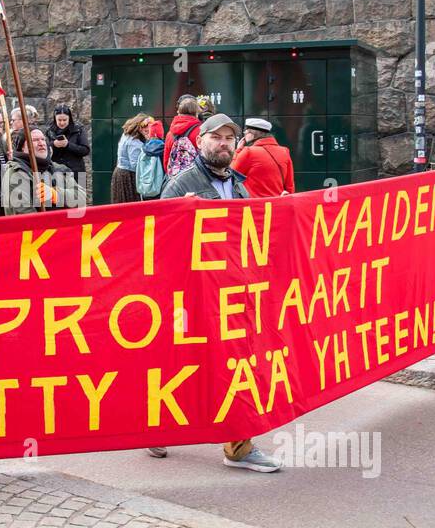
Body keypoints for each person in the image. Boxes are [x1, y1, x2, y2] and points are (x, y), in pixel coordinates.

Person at [149, 114, 283, 473]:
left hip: (231, 292)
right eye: (216, 137)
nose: (224, 143)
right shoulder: (180, 184)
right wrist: (181, 214)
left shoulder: (239, 184)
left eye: (229, 138)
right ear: (200, 141)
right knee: (183, 363)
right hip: (192, 294)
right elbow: (160, 242)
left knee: (235, 364)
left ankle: (238, 447)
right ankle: (157, 425)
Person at [2, 128, 87, 215]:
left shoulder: (59, 169)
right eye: (34, 140)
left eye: (43, 139)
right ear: (22, 147)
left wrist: (55, 194)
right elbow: (24, 216)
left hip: (64, 227)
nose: (41, 143)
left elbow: (81, 198)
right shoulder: (16, 172)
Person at [231, 118, 296, 197]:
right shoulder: (284, 151)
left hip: (254, 206)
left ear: (252, 134)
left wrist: (238, 150)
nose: (244, 135)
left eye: (245, 132)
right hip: (276, 205)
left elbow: (231, 173)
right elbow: (290, 185)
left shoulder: (248, 152)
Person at [110, 113, 151, 204]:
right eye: (144, 126)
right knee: (131, 205)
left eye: (149, 126)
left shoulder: (127, 135)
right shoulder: (134, 142)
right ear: (138, 126)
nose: (148, 129)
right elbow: (136, 165)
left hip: (121, 173)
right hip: (128, 176)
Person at [47, 105, 90, 186]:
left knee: (79, 197)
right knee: (58, 197)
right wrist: (53, 144)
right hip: (56, 171)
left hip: (77, 172)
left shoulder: (78, 129)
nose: (62, 123)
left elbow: (85, 150)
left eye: (64, 120)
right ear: (55, 119)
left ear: (69, 118)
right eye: (59, 120)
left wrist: (68, 145)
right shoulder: (50, 131)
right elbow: (44, 149)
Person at [163, 94, 200, 176]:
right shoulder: (200, 131)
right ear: (196, 112)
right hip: (196, 179)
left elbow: (166, 162)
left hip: (176, 180)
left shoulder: (170, 134)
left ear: (179, 112)